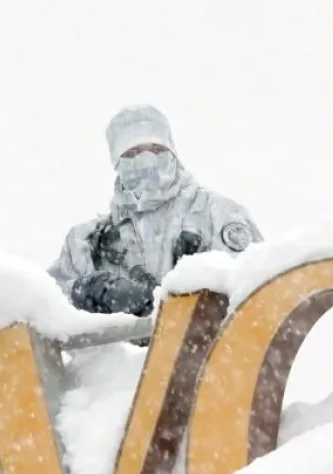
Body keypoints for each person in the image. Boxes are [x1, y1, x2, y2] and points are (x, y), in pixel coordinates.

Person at [50, 105, 261, 317]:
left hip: (208, 348)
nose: (145, 161)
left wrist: (198, 285)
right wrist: (87, 292)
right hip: (123, 350)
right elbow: (44, 306)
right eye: (132, 154)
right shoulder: (87, 243)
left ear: (172, 152)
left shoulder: (216, 214)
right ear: (117, 162)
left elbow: (257, 288)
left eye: (156, 150)